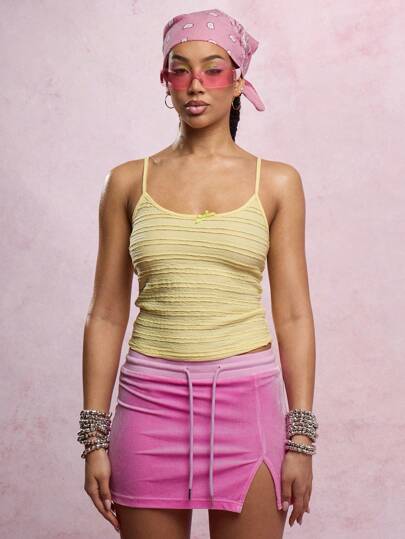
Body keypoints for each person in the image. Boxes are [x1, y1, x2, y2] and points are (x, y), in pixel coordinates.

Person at [77, 8, 318, 539]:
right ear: (166, 80)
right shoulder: (127, 181)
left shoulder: (277, 182)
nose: (195, 85)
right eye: (180, 69)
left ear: (239, 81)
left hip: (246, 406)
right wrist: (94, 437)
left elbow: (294, 315)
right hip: (149, 406)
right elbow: (107, 313)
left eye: (213, 69)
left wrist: (300, 440)